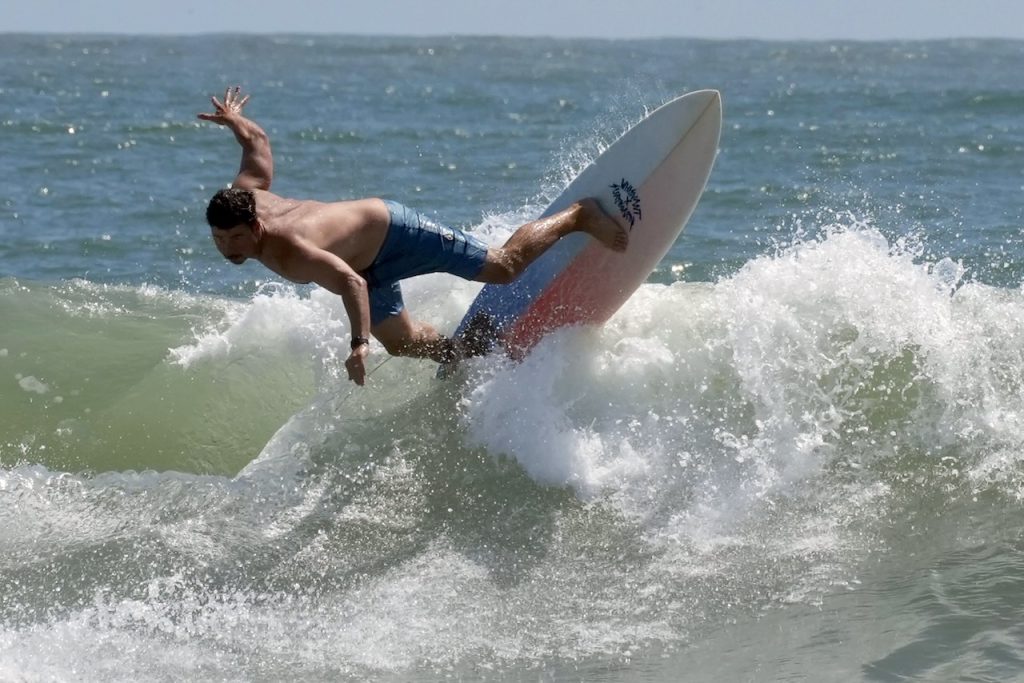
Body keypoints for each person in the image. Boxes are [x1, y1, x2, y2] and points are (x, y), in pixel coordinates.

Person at [198, 86, 628, 386]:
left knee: (502, 268)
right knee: (401, 343)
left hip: (392, 231)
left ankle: (578, 216)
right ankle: (467, 346)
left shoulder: (291, 249)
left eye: (235, 239)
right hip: (364, 261)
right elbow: (257, 143)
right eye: (219, 240)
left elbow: (350, 284)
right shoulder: (244, 196)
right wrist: (235, 120)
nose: (227, 249)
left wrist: (358, 344)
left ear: (256, 226)